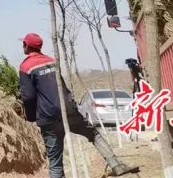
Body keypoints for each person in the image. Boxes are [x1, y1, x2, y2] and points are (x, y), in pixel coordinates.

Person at [18, 33, 139, 178]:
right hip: (69, 111)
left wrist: (31, 117)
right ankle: (116, 165)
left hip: (48, 117)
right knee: (93, 134)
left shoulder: (25, 67)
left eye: (23, 43)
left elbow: (29, 96)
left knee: (55, 160)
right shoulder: (52, 61)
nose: (23, 46)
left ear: (26, 45)